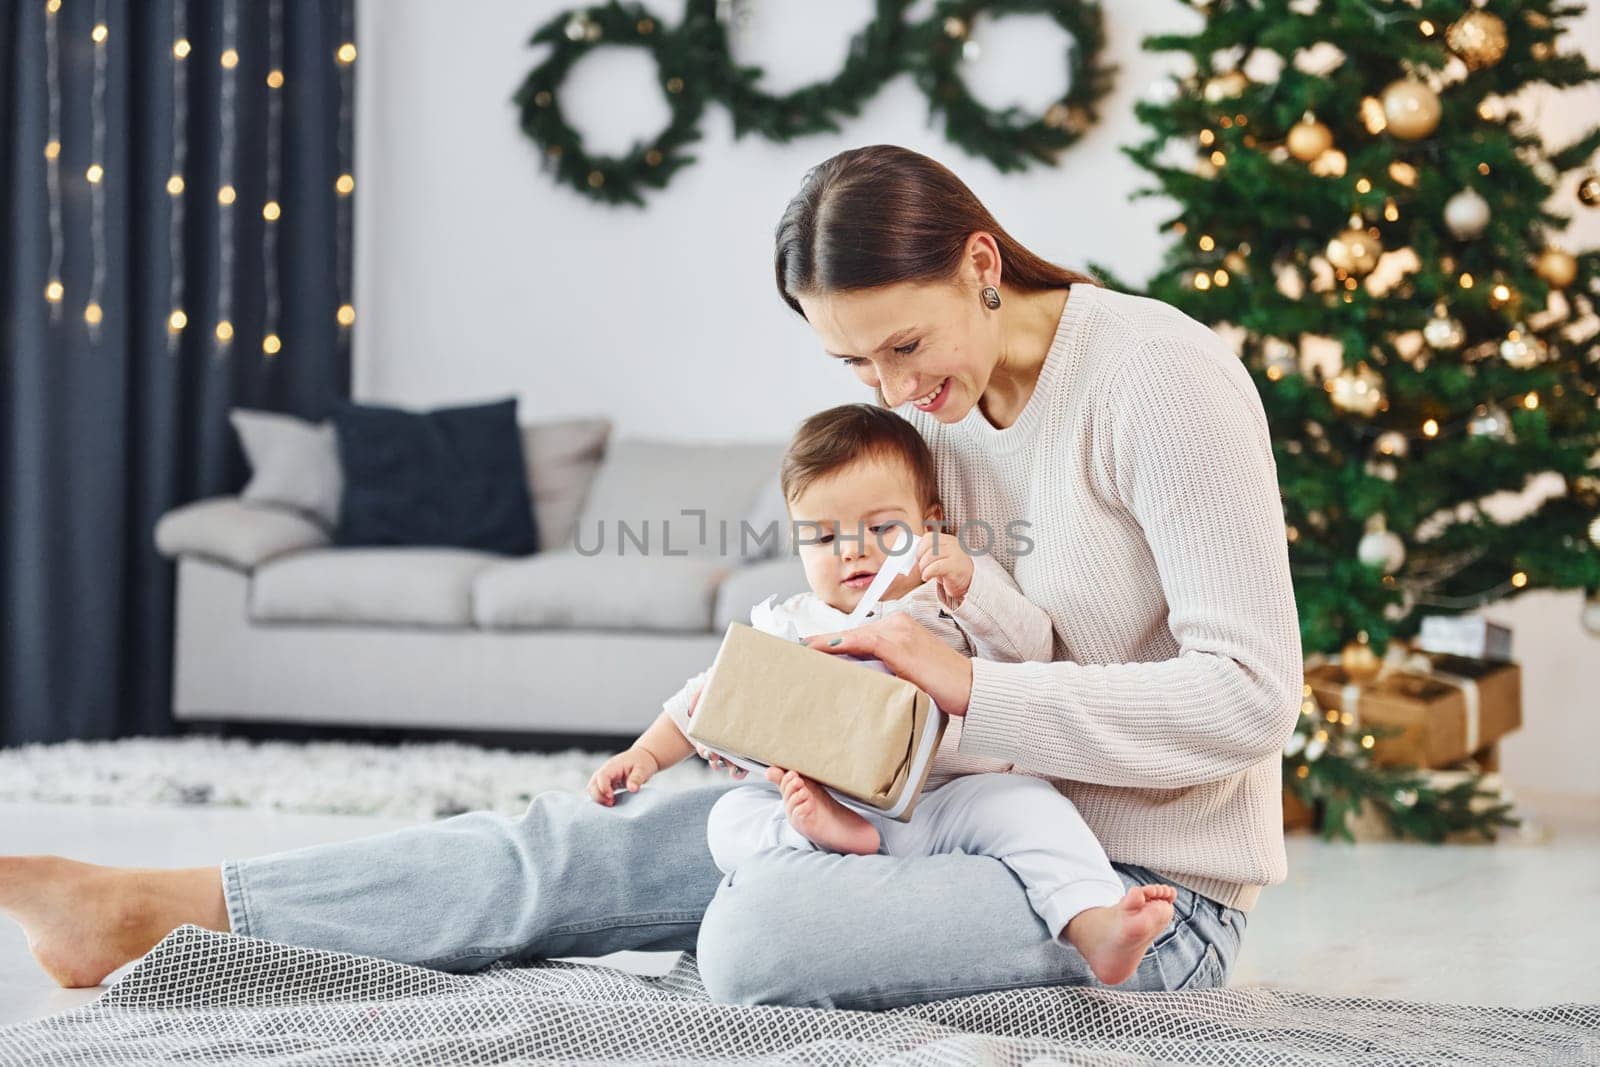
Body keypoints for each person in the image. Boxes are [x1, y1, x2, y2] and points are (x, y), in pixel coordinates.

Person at [0, 144, 1301, 1009]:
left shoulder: (1158, 382)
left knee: (757, 939)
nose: (899, 393)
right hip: (914, 809)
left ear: (981, 260)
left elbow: (1252, 698)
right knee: (578, 837)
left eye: (905, 343)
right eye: (859, 368)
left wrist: (963, 693)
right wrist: (805, 731)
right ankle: (171, 910)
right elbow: (908, 631)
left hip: (1133, 886)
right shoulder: (939, 414)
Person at [589, 403, 1175, 986]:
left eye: (882, 529)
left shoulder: (954, 594)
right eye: (822, 536)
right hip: (832, 803)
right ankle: (821, 836)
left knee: (1035, 809)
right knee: (729, 819)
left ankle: (1092, 923)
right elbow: (707, 696)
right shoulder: (792, 624)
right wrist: (644, 755)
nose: (852, 550)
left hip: (955, 798)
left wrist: (971, 586)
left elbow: (1034, 652)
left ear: (931, 525)